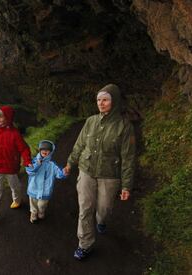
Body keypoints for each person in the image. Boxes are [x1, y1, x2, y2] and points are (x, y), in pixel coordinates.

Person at [63, 84, 136, 260]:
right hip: (86, 170)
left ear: (114, 101)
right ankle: (85, 244)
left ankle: (101, 221)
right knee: (85, 208)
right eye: (98, 100)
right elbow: (80, 144)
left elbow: (128, 158)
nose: (101, 103)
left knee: (104, 209)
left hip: (109, 175)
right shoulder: (91, 121)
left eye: (105, 100)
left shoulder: (124, 127)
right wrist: (70, 163)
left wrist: (126, 185)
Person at [26, 140, 66, 223]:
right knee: (33, 202)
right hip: (34, 187)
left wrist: (64, 172)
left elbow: (59, 173)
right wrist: (37, 165)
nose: (44, 151)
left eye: (47, 150)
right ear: (40, 151)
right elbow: (29, 171)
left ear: (50, 152)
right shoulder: (34, 161)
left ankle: (41, 211)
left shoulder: (52, 165)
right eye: (42, 150)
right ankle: (33, 213)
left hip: (45, 190)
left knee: (42, 204)